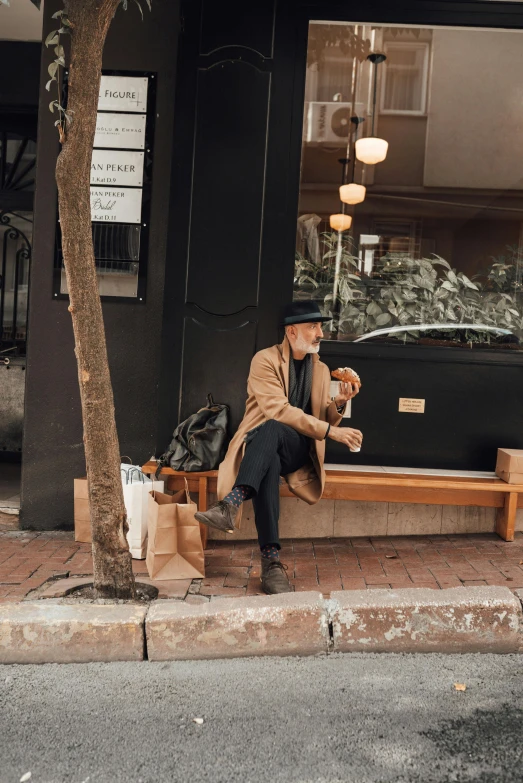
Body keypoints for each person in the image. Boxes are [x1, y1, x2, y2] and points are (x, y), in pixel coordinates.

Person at [195, 301, 363, 594]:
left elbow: (321, 413)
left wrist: (339, 403)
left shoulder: (321, 370)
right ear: (292, 331)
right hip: (260, 447)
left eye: (320, 326)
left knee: (274, 432)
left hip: (297, 450)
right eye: (313, 327)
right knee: (269, 452)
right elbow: (278, 410)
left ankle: (232, 502)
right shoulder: (265, 360)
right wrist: (331, 433)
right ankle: (271, 563)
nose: (319, 333)